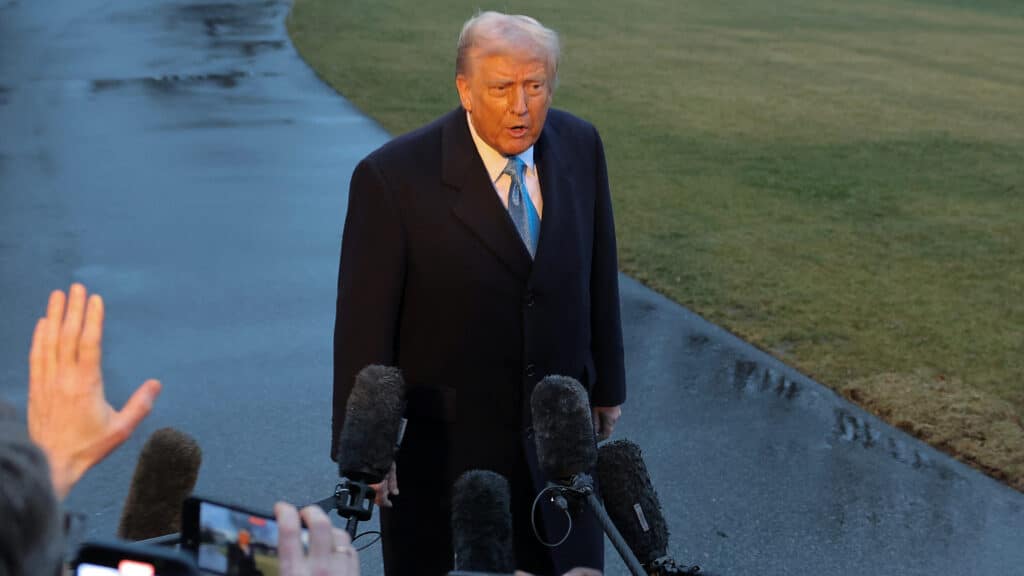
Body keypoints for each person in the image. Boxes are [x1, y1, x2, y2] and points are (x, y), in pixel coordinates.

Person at [332, 11, 626, 575]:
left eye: (535, 86)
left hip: (560, 452)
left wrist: (607, 383)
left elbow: (599, 270)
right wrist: (365, 451)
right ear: (465, 89)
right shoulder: (392, 178)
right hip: (446, 458)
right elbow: (363, 324)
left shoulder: (581, 145)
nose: (521, 106)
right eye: (502, 88)